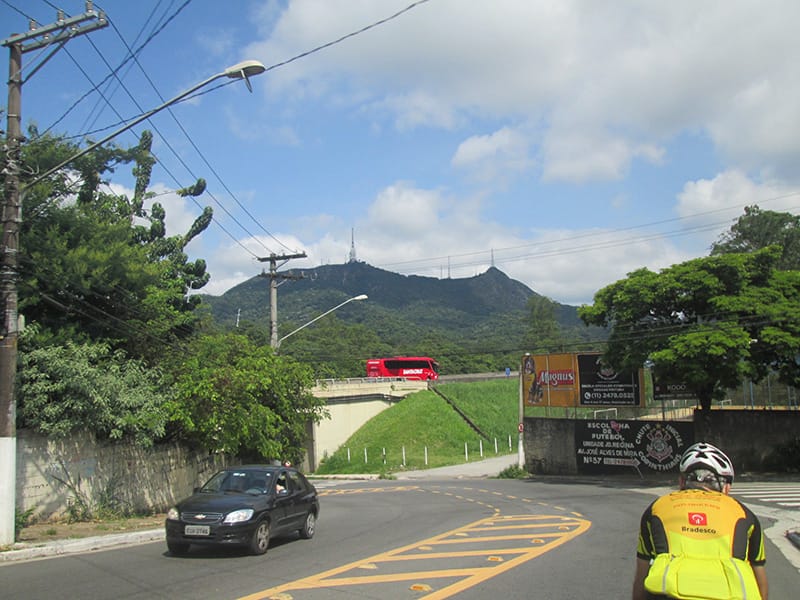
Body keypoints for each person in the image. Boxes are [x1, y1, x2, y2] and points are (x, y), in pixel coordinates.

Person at [632, 442, 768, 600]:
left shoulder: (658, 507)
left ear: (681, 482)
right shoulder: (744, 513)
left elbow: (641, 574)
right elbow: (759, 575)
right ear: (726, 488)